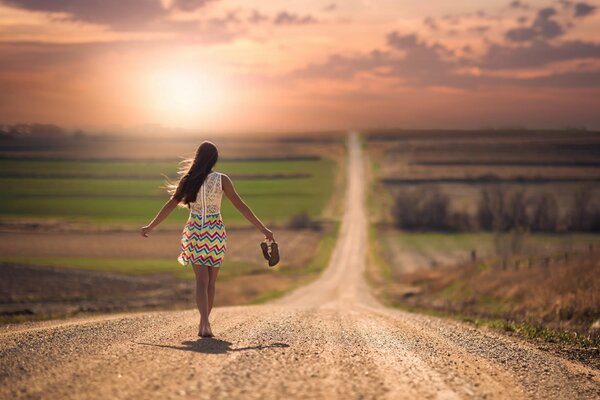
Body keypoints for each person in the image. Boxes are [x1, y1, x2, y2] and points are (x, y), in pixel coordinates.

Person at [140, 141, 275, 337]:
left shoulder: (188, 180)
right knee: (211, 282)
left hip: (195, 231)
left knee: (201, 281)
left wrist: (151, 226)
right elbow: (241, 206)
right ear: (214, 160)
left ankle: (204, 323)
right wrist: (264, 229)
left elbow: (170, 205)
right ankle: (205, 324)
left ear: (197, 158)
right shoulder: (222, 179)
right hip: (215, 232)